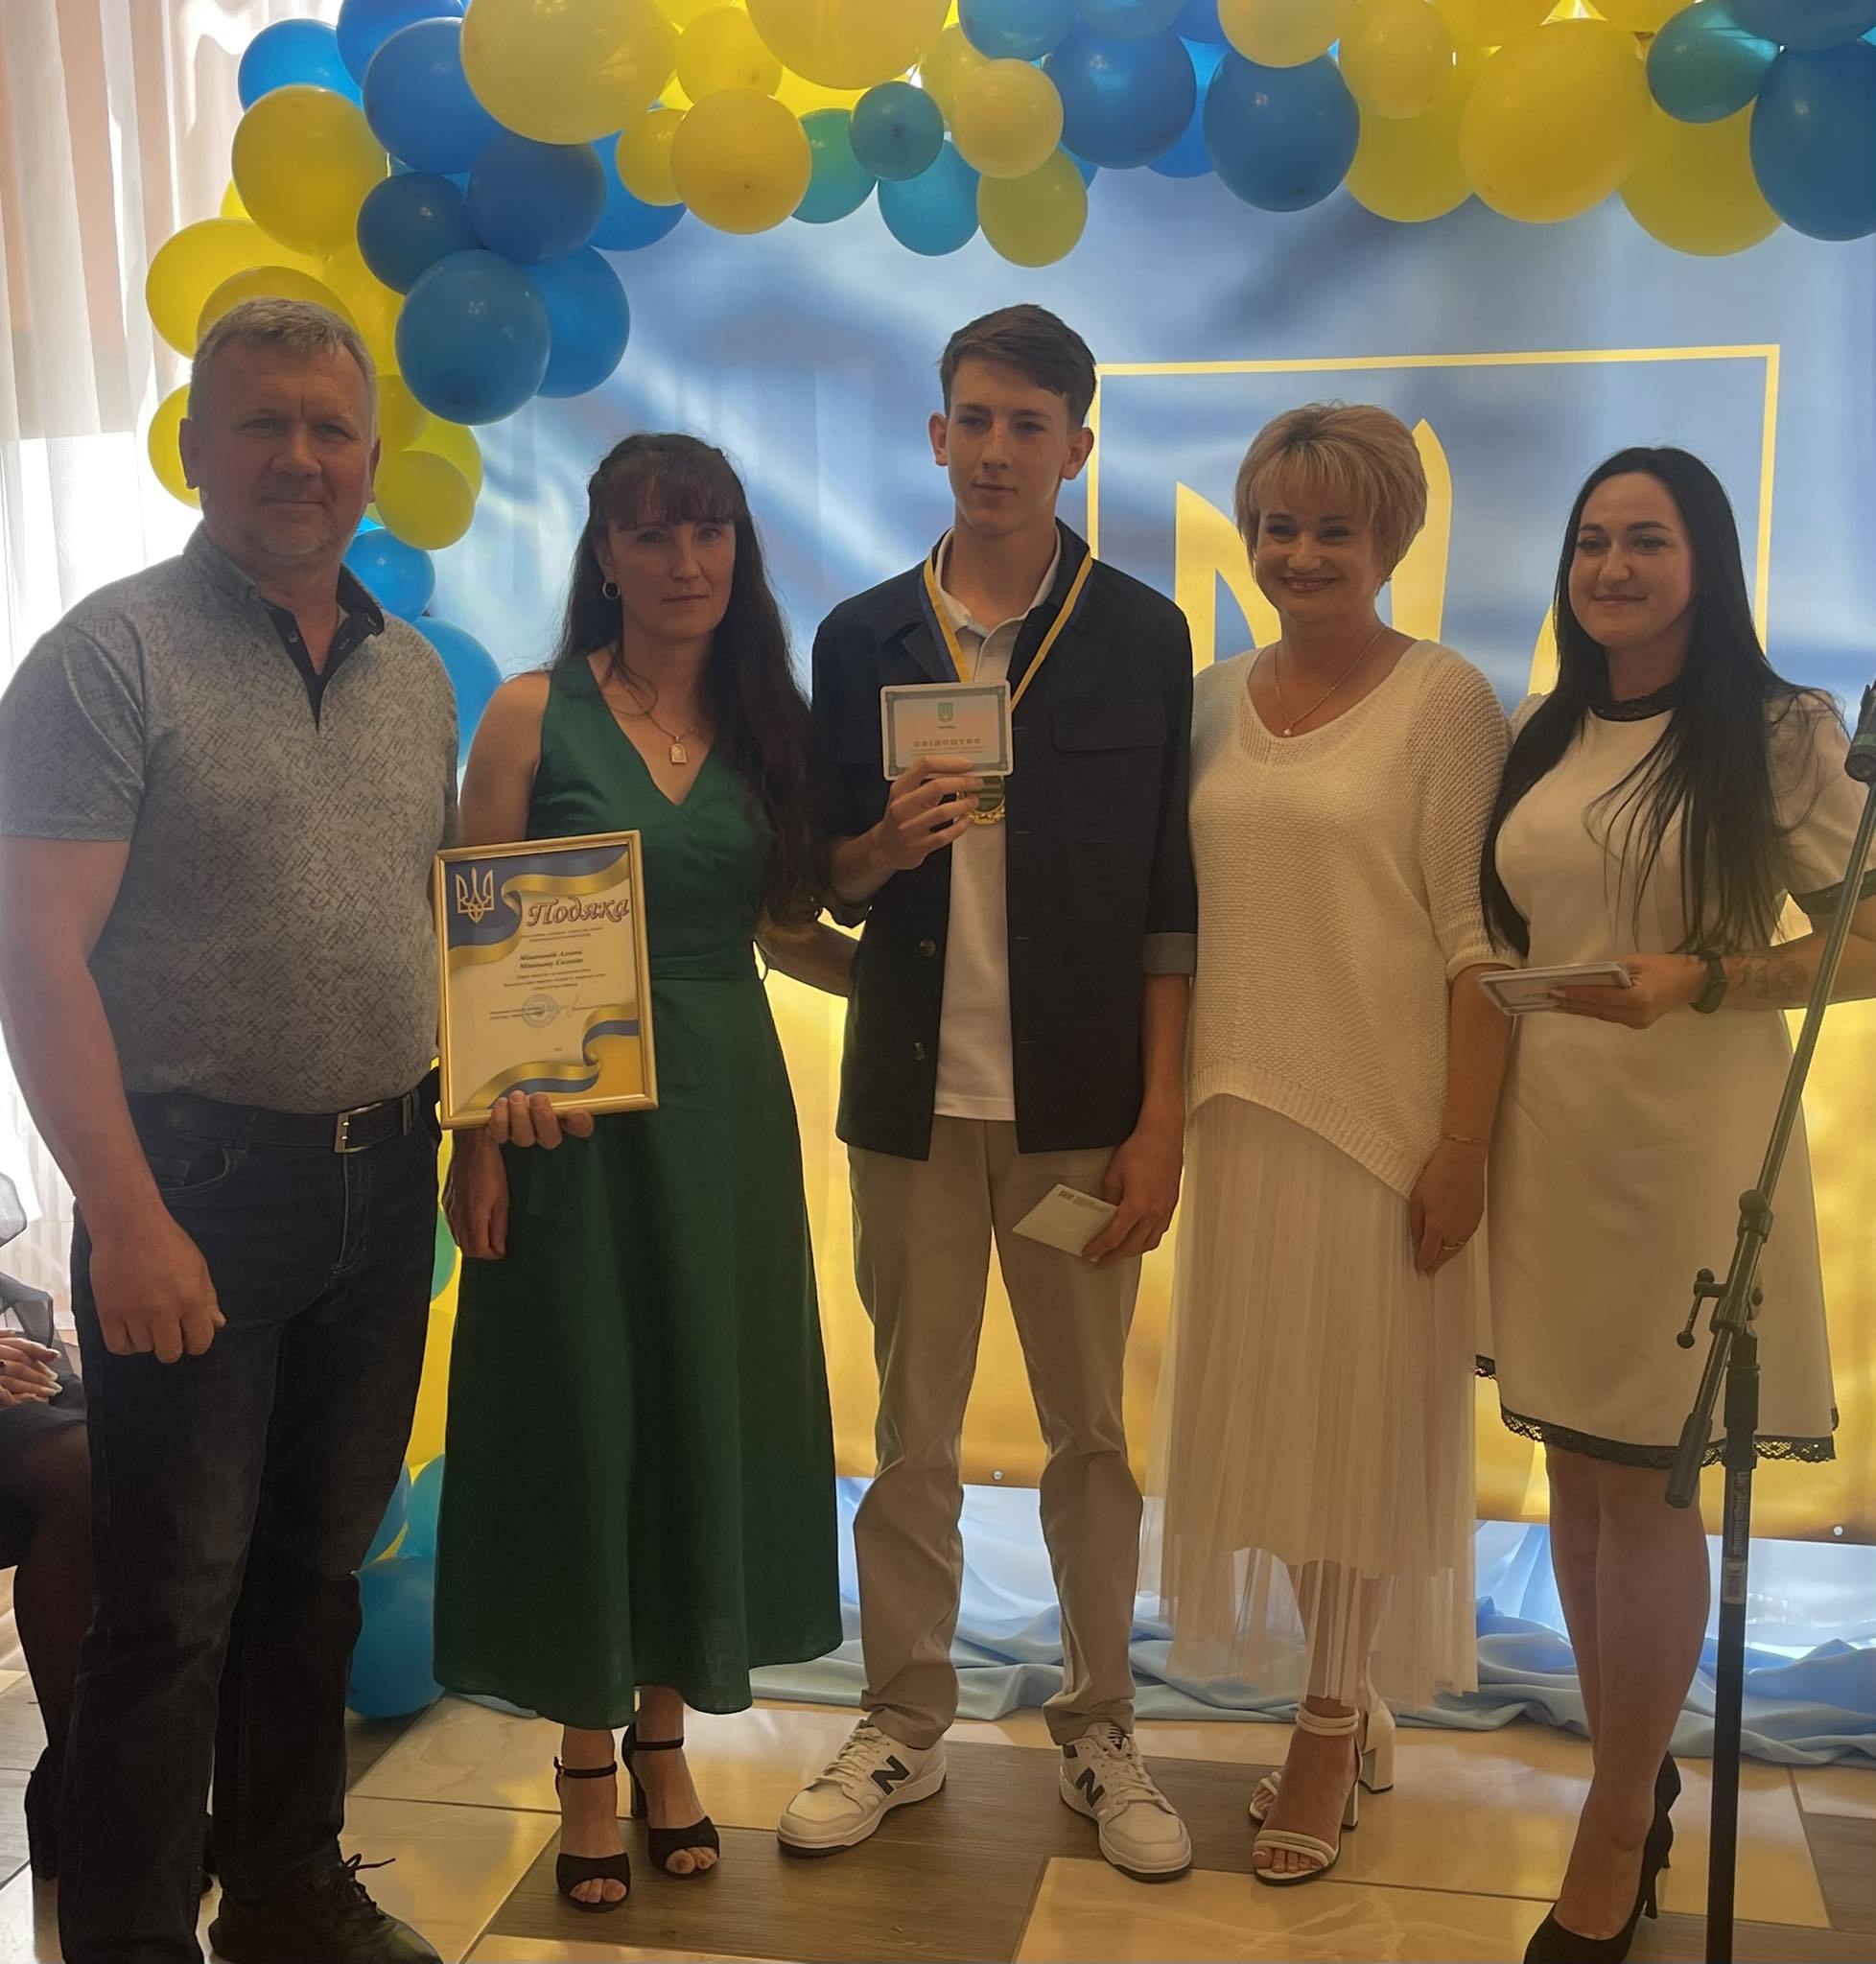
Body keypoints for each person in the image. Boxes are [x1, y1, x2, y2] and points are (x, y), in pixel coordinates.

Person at [0, 298, 456, 1964]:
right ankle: (131, 1939)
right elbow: (33, 957)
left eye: (331, 430)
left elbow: (426, 925)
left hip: (383, 1177)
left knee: (316, 1570)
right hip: (190, 1188)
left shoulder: (414, 677)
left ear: (373, 461)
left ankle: (282, 1888)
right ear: (197, 447)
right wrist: (124, 1220)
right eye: (263, 423)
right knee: (171, 1605)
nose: (299, 458)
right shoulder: (105, 657)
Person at [779, 305, 1198, 1882]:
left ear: (1078, 445)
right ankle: (902, 1718)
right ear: (936, 435)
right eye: (975, 420)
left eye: (1030, 424)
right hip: (910, 1109)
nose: (999, 451)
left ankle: (1102, 1726)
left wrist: (1162, 1119)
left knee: (1092, 1435)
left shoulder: (1140, 635)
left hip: (1082, 1113)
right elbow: (818, 876)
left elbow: (1169, 904)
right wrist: (877, 849)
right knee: (912, 1436)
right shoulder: (861, 639)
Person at [435, 433, 848, 1913]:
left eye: (710, 531)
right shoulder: (530, 714)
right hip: (569, 1135)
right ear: (604, 554)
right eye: (654, 534)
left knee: (694, 1412)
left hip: (726, 1122)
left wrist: (945, 992)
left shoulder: (770, 720)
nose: (686, 562)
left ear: (739, 549)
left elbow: (785, 930)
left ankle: (666, 1740)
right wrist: (473, 1139)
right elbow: (472, 938)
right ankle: (585, 1762)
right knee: (585, 1415)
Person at [1480, 447, 1875, 1964]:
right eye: (1591, 541)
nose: (1613, 567)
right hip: (1550, 1142)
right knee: (1580, 1481)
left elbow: (1866, 940)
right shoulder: (1546, 728)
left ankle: (1614, 1826)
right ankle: (1627, 1777)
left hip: (1686, 1151)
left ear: (1706, 561)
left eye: (1647, 540)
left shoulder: (1776, 734)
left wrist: (1709, 977)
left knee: (1648, 1486)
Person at [1149, 403, 1511, 1886]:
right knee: (1288, 1439)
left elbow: (1479, 949)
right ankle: (1344, 1685)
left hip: (1381, 1130)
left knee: (1358, 1441)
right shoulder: (1207, 699)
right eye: (1279, 526)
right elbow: (1172, 924)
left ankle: (1321, 1723)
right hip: (1238, 1118)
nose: (1301, 553)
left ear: (1392, 541)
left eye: (1334, 529)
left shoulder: (1447, 703)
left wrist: (1464, 1146)